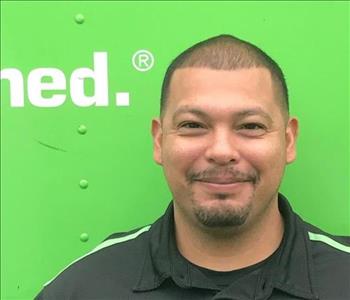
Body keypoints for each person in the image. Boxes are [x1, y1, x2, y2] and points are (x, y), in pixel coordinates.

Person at [35, 34, 350, 300]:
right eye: (193, 125)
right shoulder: (83, 289)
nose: (222, 151)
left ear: (288, 141)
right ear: (159, 141)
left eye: (251, 126)